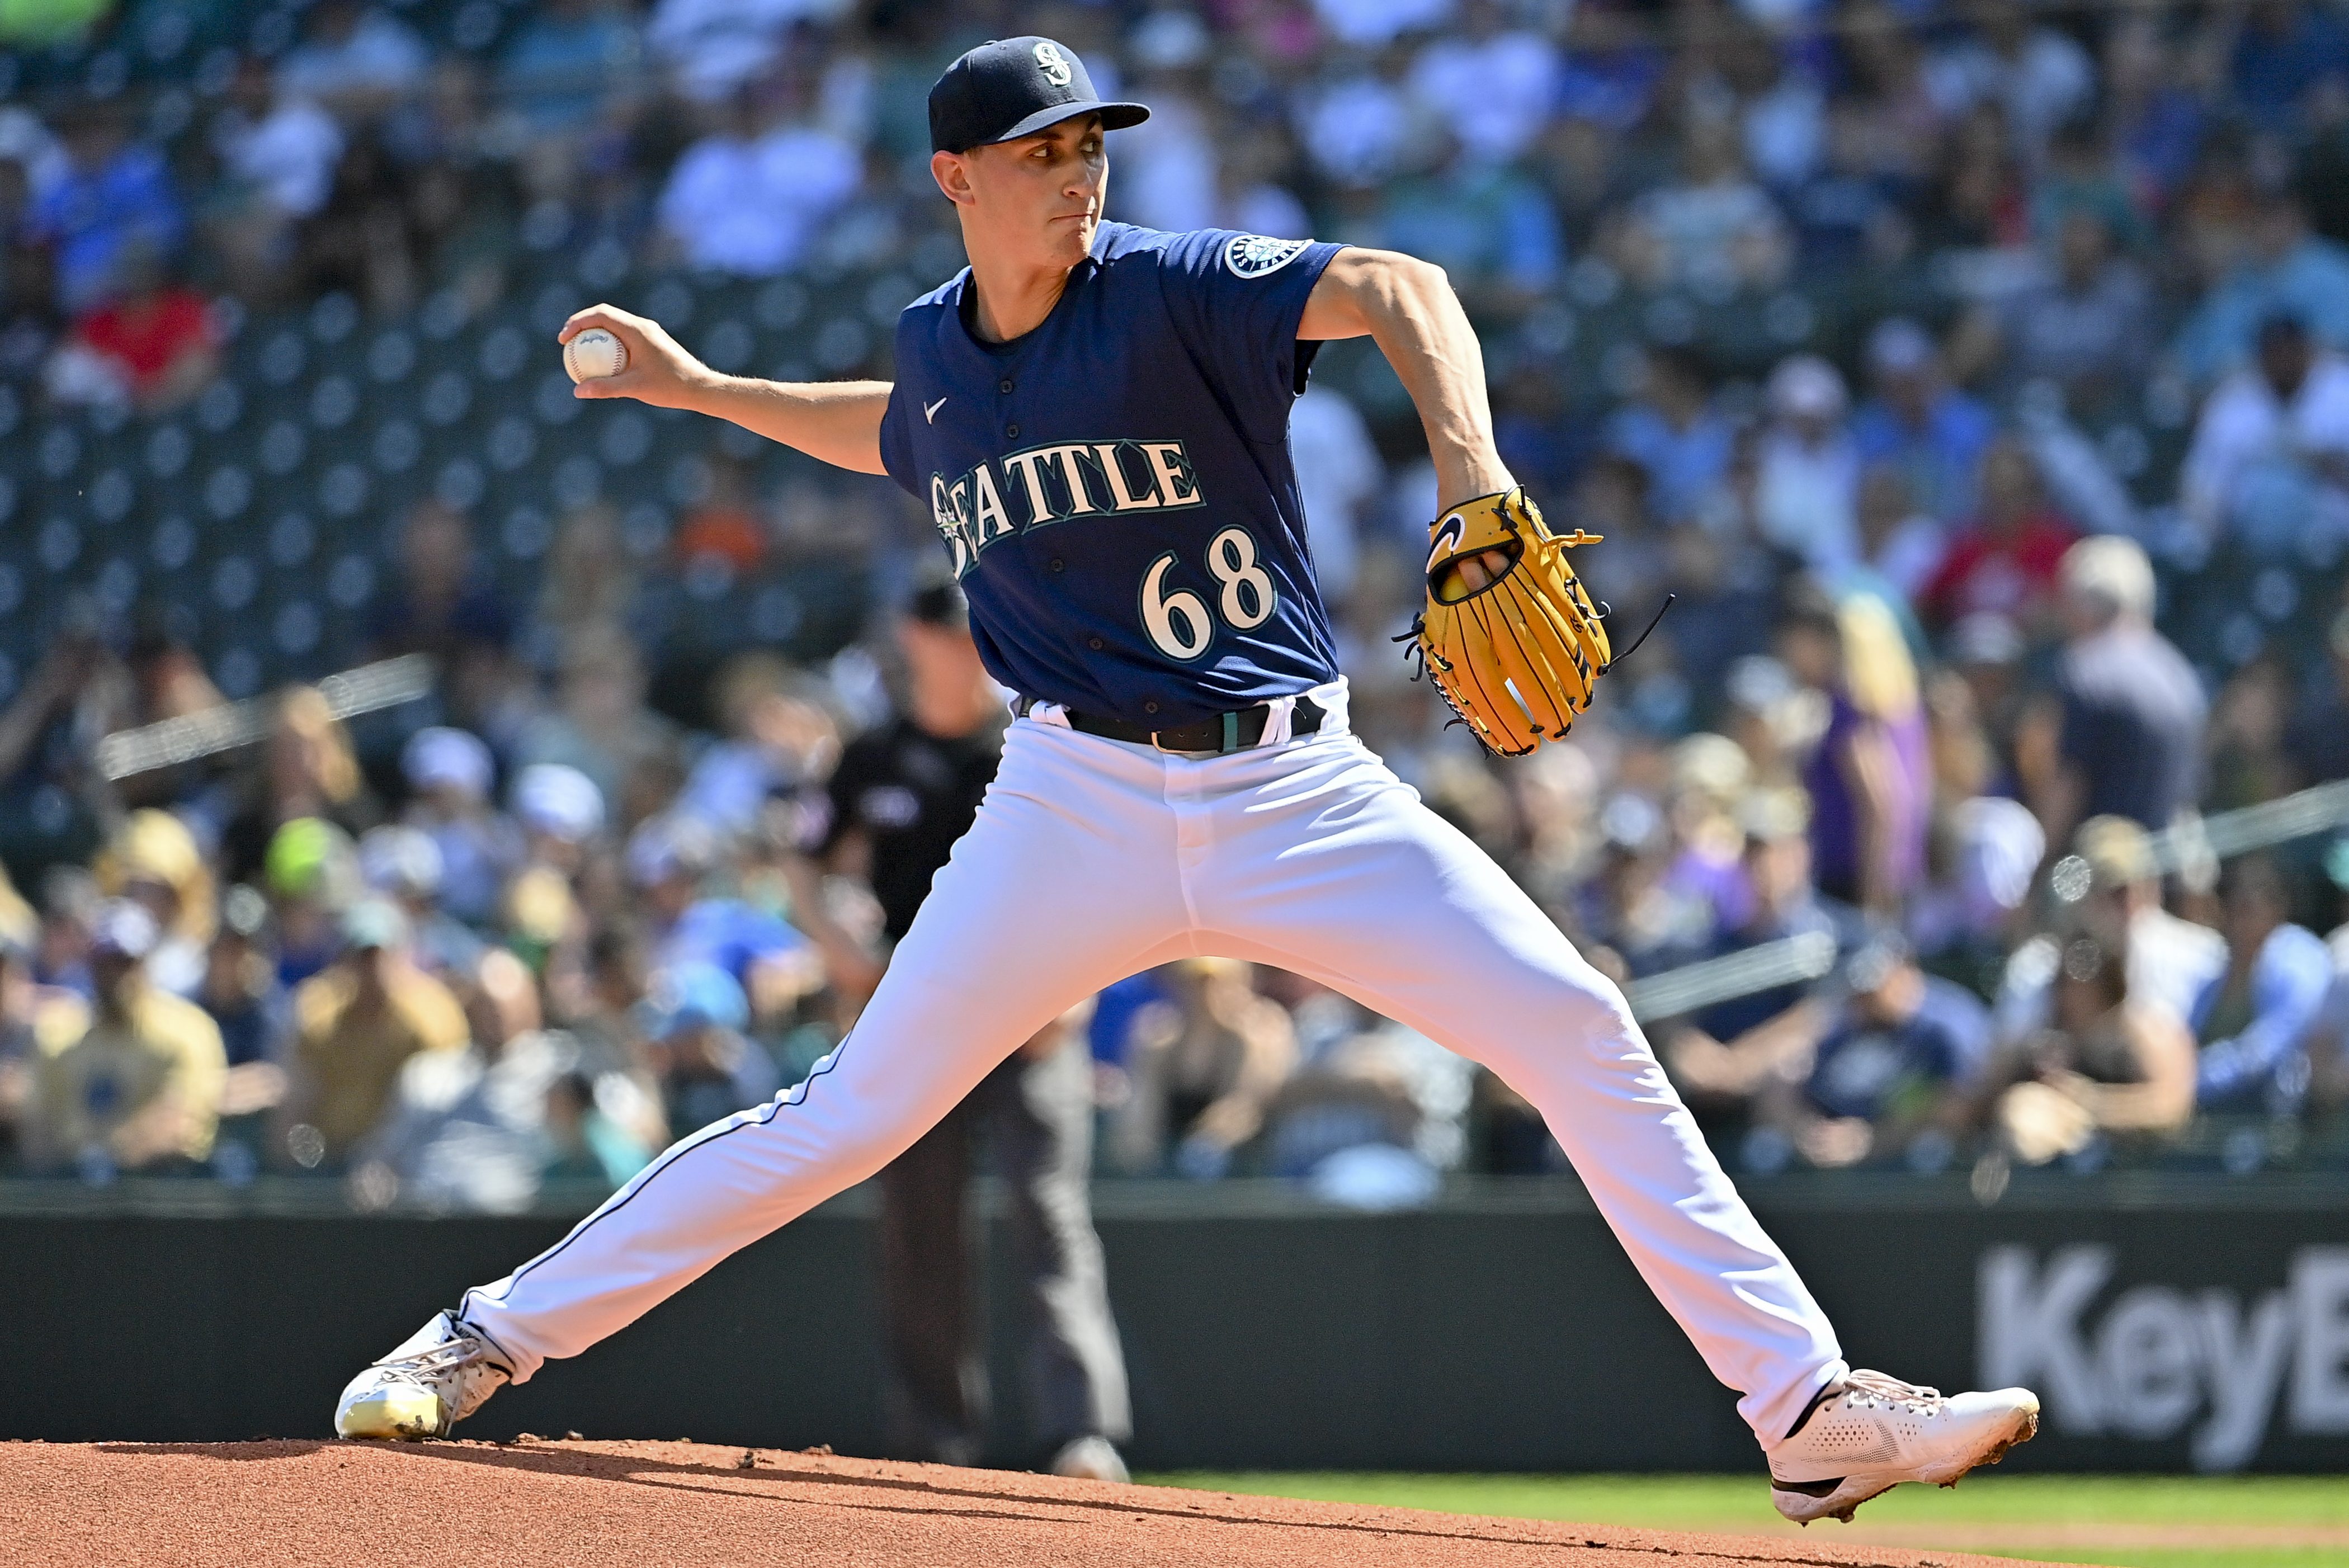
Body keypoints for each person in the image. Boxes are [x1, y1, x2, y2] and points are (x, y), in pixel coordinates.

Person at [338, 38, 2038, 1523]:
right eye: (1040, 153)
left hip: (1295, 790)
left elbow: (1402, 287)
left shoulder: (1171, 288)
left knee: (1576, 1023)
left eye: (1091, 145)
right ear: (953, 179)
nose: (1078, 173)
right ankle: (485, 1334)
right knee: (850, 1112)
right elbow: (899, 425)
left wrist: (1469, 467)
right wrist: (705, 391)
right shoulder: (941, 356)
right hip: (1068, 804)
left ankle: (1804, 1409)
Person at [788, 580, 1132, 1482]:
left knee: (1050, 1216)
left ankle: (1081, 1433)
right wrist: (841, 952)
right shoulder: (874, 756)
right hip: (922, 1013)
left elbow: (1101, 869)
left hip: (1032, 1004)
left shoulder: (1037, 739)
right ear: (914, 637)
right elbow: (805, 860)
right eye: (949, 630)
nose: (964, 647)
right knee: (920, 1226)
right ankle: (933, 1438)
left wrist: (1078, 992)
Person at [2023, 536, 2205, 851]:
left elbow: (2069, 784)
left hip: (2098, 870)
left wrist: (2038, 863)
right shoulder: (2180, 676)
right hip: (2162, 866)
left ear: (2080, 606)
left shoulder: (2084, 671)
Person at [25, 901, 228, 1178]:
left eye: (125, 963)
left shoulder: (187, 1032)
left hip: (163, 1187)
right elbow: (39, 1131)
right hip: (71, 1189)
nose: (115, 976)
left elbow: (182, 1124)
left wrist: (110, 1156)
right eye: (106, 964)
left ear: (145, 964)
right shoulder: (60, 1039)